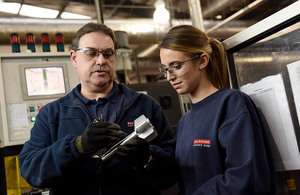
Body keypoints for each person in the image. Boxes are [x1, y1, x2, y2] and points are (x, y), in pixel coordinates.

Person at [19, 22, 177, 195]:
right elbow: (31, 171)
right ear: (74, 58)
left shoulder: (145, 105)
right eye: (91, 53)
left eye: (108, 53)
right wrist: (77, 146)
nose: (101, 60)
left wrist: (147, 159)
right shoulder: (52, 114)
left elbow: (171, 173)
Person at [159, 24, 277, 195]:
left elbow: (246, 178)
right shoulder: (185, 121)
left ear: (202, 60)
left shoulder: (231, 104)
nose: (170, 76)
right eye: (165, 69)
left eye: (176, 66)